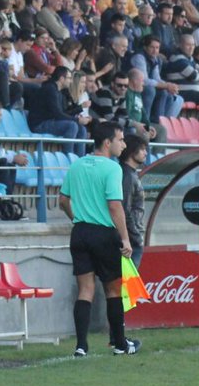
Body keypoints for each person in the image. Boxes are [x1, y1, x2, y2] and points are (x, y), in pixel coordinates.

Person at [59, 121, 139, 358]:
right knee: (113, 290)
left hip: (80, 232)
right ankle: (120, 344)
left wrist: (77, 219)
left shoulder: (77, 165)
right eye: (121, 139)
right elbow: (114, 206)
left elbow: (63, 200)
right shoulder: (113, 168)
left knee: (85, 290)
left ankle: (81, 345)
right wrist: (125, 239)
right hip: (103, 234)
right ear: (108, 142)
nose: (124, 144)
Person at [120, 134, 147, 269]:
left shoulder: (130, 174)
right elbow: (125, 209)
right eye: (142, 149)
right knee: (128, 286)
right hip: (131, 238)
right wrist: (136, 237)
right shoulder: (128, 177)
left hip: (131, 235)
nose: (145, 153)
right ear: (131, 151)